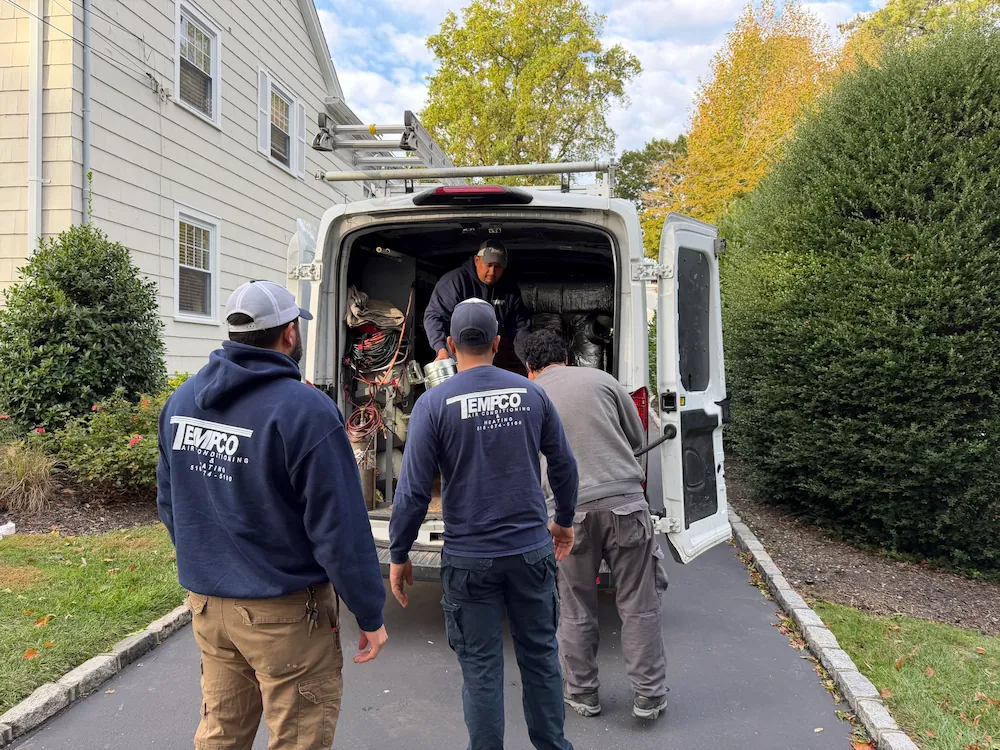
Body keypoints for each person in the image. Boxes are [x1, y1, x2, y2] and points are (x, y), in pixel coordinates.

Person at [157, 280, 388, 750]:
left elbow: (169, 502)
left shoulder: (181, 403)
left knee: (221, 734)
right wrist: (369, 611)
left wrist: (209, 563)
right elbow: (339, 530)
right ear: (288, 334)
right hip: (283, 616)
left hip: (209, 607)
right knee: (299, 737)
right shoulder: (305, 411)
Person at [389, 298, 579, 750]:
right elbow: (565, 466)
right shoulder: (532, 393)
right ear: (498, 342)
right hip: (531, 552)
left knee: (480, 669)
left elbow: (413, 491)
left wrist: (399, 554)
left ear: (452, 345)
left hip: (469, 559)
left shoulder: (434, 403)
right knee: (540, 660)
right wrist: (564, 522)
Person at [523, 329, 669, 721]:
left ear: (528, 367)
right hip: (626, 504)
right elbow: (637, 437)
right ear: (567, 358)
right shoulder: (603, 381)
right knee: (639, 604)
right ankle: (649, 696)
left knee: (575, 607)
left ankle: (583, 694)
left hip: (570, 515)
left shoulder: (527, 396)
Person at [423, 239, 532, 363]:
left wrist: (530, 363)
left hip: (492, 359)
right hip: (457, 359)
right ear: (476, 260)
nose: (492, 272)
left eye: (498, 267)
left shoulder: (510, 289)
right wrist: (441, 349)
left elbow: (520, 329)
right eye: (489, 265)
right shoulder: (453, 282)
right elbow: (434, 317)